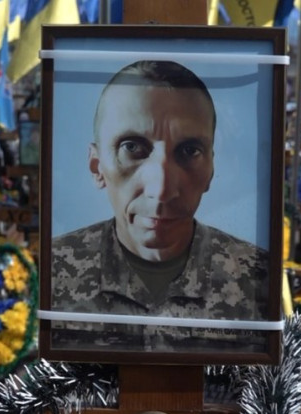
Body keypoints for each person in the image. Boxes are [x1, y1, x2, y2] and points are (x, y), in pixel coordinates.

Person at [51, 60, 269, 352]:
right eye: (132, 148)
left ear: (211, 170)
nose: (162, 190)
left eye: (189, 151)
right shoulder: (53, 271)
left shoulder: (256, 277)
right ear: (96, 166)